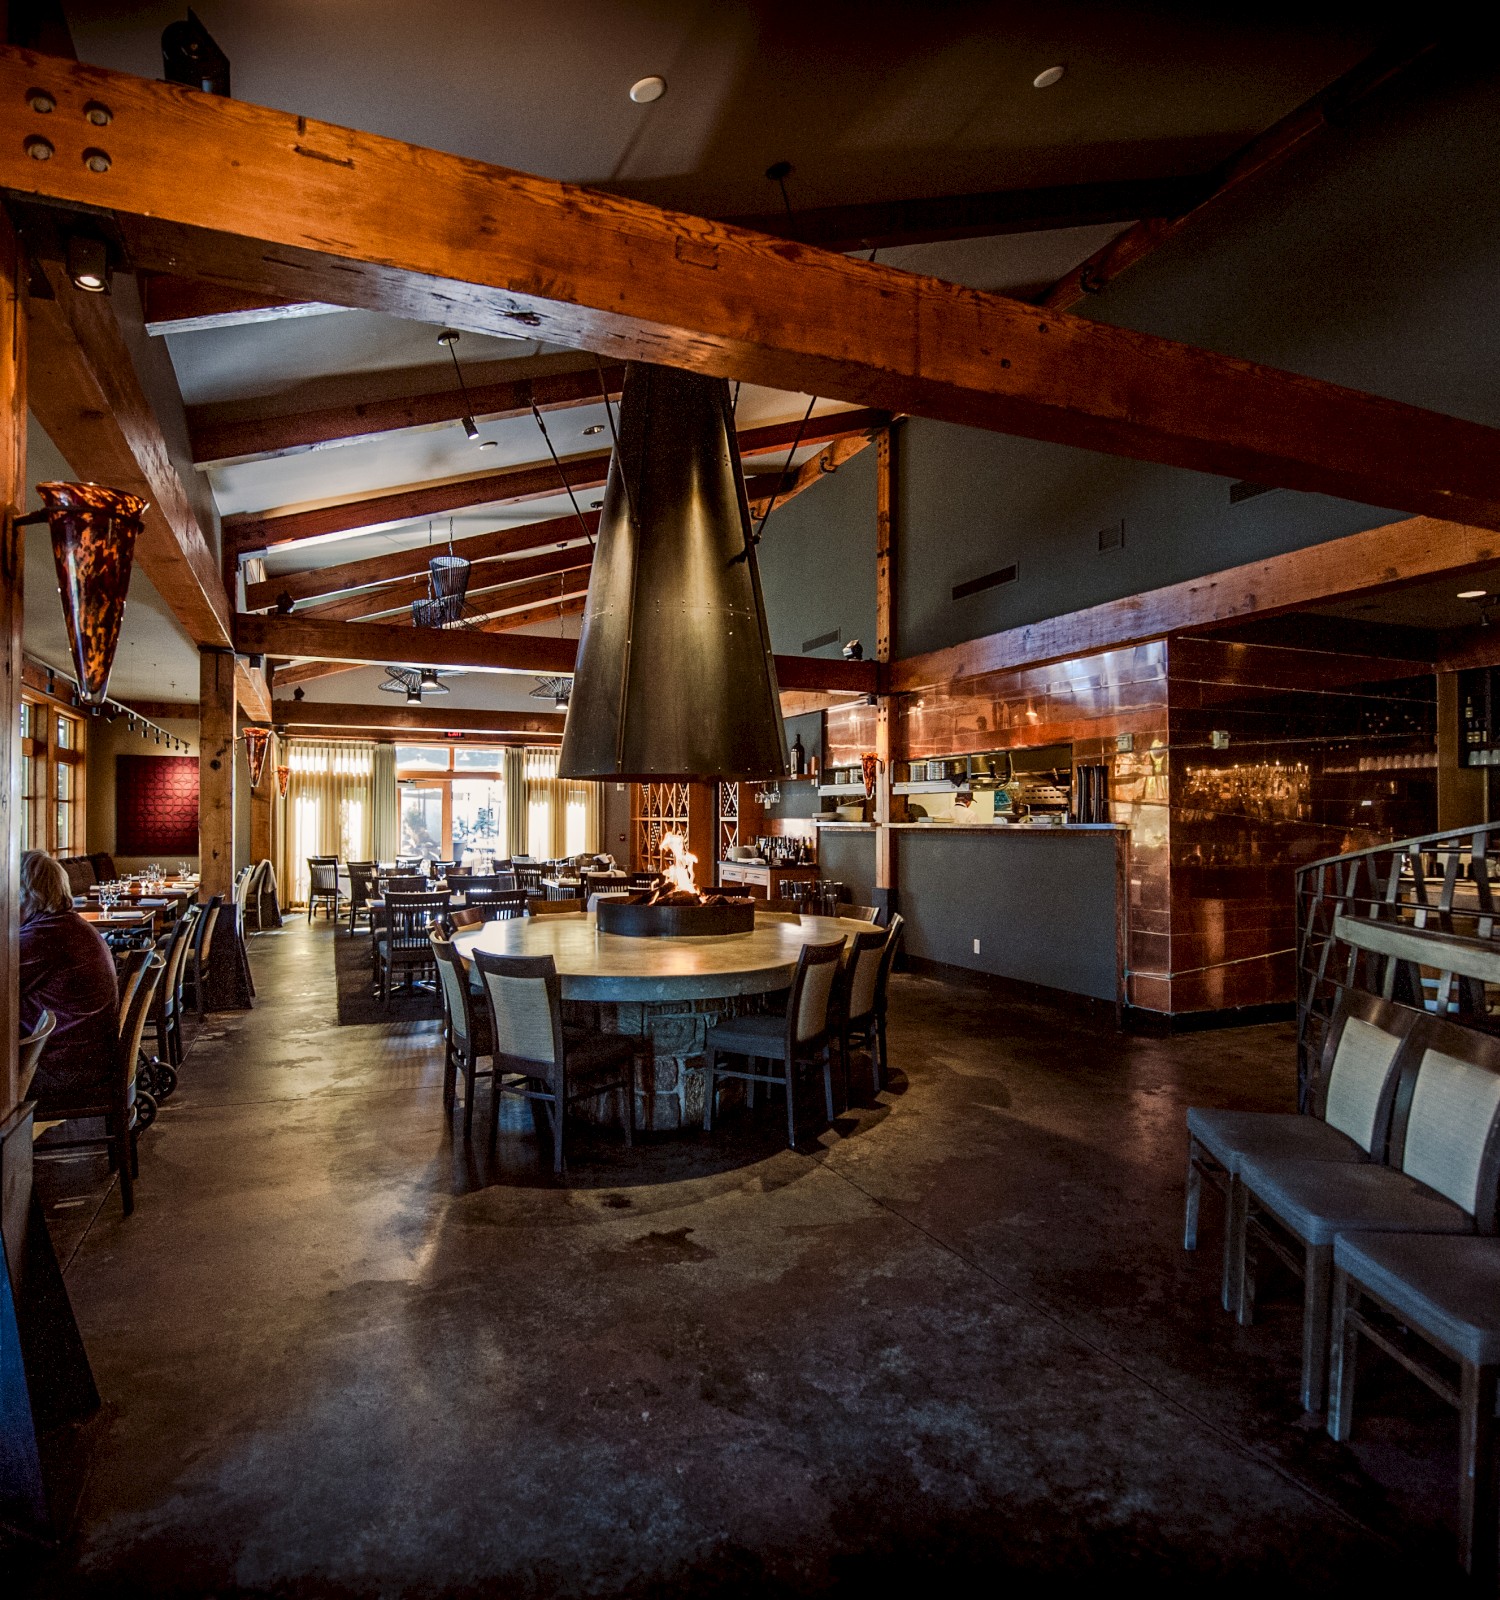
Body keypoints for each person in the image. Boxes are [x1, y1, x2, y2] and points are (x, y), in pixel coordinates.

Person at [18, 849, 123, 1107]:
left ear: (25, 893)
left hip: (65, 1068)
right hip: (90, 1058)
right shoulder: (69, 926)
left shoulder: (43, 938)